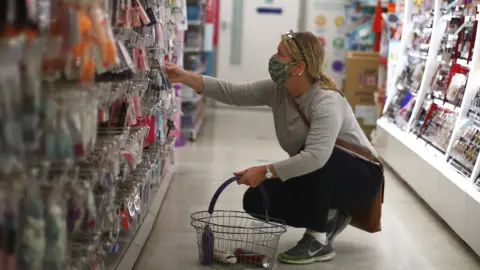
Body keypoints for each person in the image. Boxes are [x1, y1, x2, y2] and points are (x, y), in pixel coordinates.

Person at [165, 30, 384, 265]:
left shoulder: (326, 102)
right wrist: (184, 77)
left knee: (319, 156)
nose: (273, 57)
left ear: (299, 66)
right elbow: (233, 92)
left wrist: (264, 171)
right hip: (319, 174)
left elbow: (316, 158)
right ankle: (329, 214)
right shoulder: (279, 90)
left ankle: (318, 238)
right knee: (257, 199)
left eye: (280, 54)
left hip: (361, 178)